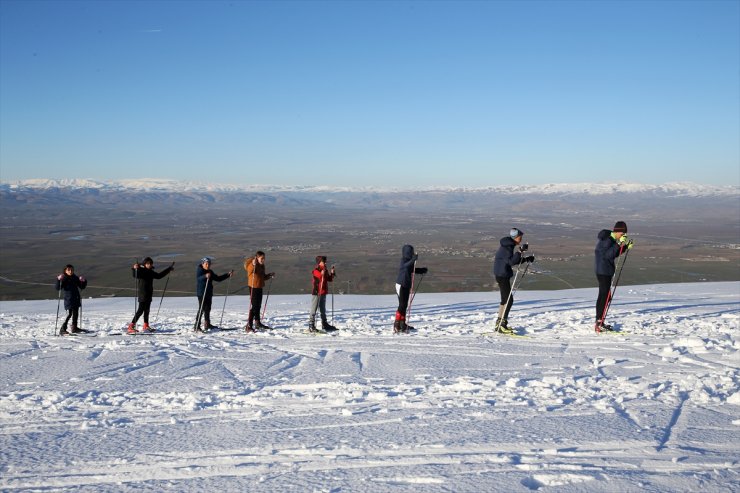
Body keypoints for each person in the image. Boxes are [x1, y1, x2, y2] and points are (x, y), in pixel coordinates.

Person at [493, 228, 535, 333]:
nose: (521, 238)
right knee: (509, 301)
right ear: (516, 237)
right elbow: (512, 262)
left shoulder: (507, 245)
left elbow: (511, 261)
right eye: (520, 236)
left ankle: (499, 323)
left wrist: (526, 259)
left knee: (505, 300)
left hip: (501, 274)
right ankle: (502, 324)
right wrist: (520, 251)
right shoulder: (507, 247)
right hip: (502, 275)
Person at [594, 220, 634, 332]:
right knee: (604, 296)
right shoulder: (607, 240)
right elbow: (608, 255)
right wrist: (618, 244)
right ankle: (599, 322)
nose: (623, 236)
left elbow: (613, 253)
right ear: (618, 232)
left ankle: (600, 321)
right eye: (622, 234)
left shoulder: (610, 239)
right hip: (603, 272)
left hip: (604, 271)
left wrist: (625, 247)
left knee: (606, 296)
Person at [127, 257, 174, 334]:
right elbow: (135, 275)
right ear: (144, 264)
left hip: (149, 294)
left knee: (147, 310)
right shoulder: (141, 271)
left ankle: (146, 325)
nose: (149, 265)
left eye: (151, 263)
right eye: (148, 263)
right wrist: (134, 268)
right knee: (140, 310)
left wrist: (168, 269)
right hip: (143, 294)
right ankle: (131, 326)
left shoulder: (150, 272)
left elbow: (159, 276)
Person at [394, 245, 428, 334]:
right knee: (402, 305)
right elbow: (405, 266)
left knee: (404, 305)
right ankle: (397, 324)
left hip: (406, 285)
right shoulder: (403, 260)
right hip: (401, 285)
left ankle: (402, 324)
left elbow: (411, 269)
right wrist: (413, 259)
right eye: (411, 251)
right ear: (408, 252)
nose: (413, 253)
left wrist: (421, 270)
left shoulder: (409, 261)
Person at [195, 257, 233, 332]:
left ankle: (207, 324)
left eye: (209, 264)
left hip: (208, 293)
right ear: (203, 264)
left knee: (208, 309)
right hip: (202, 293)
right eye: (206, 264)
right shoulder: (200, 270)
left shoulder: (210, 271)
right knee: (201, 309)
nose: (208, 265)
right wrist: (205, 276)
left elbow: (218, 279)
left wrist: (227, 275)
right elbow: (199, 278)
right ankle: (197, 325)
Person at [244, 251, 275, 333]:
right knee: (254, 306)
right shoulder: (252, 264)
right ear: (257, 258)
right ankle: (249, 325)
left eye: (264, 258)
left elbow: (263, 277)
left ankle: (257, 322)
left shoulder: (262, 266)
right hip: (253, 287)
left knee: (258, 306)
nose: (263, 260)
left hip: (259, 287)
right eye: (262, 258)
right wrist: (253, 264)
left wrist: (269, 275)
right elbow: (249, 271)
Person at [55, 264, 87, 335]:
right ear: (65, 271)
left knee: (75, 313)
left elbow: (81, 287)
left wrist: (83, 281)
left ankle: (74, 328)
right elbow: (58, 288)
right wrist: (58, 280)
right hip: (68, 299)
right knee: (69, 314)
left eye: (72, 270)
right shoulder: (64, 278)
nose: (70, 271)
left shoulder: (75, 277)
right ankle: (62, 329)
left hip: (76, 298)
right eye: (68, 270)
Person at [309, 256, 337, 333]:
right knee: (314, 309)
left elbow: (329, 279)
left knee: (322, 309)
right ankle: (311, 325)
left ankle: (324, 324)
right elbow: (318, 277)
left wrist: (332, 273)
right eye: (323, 261)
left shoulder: (324, 270)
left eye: (325, 261)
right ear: (319, 262)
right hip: (317, 292)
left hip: (323, 292)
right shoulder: (316, 270)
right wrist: (322, 274)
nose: (325, 262)